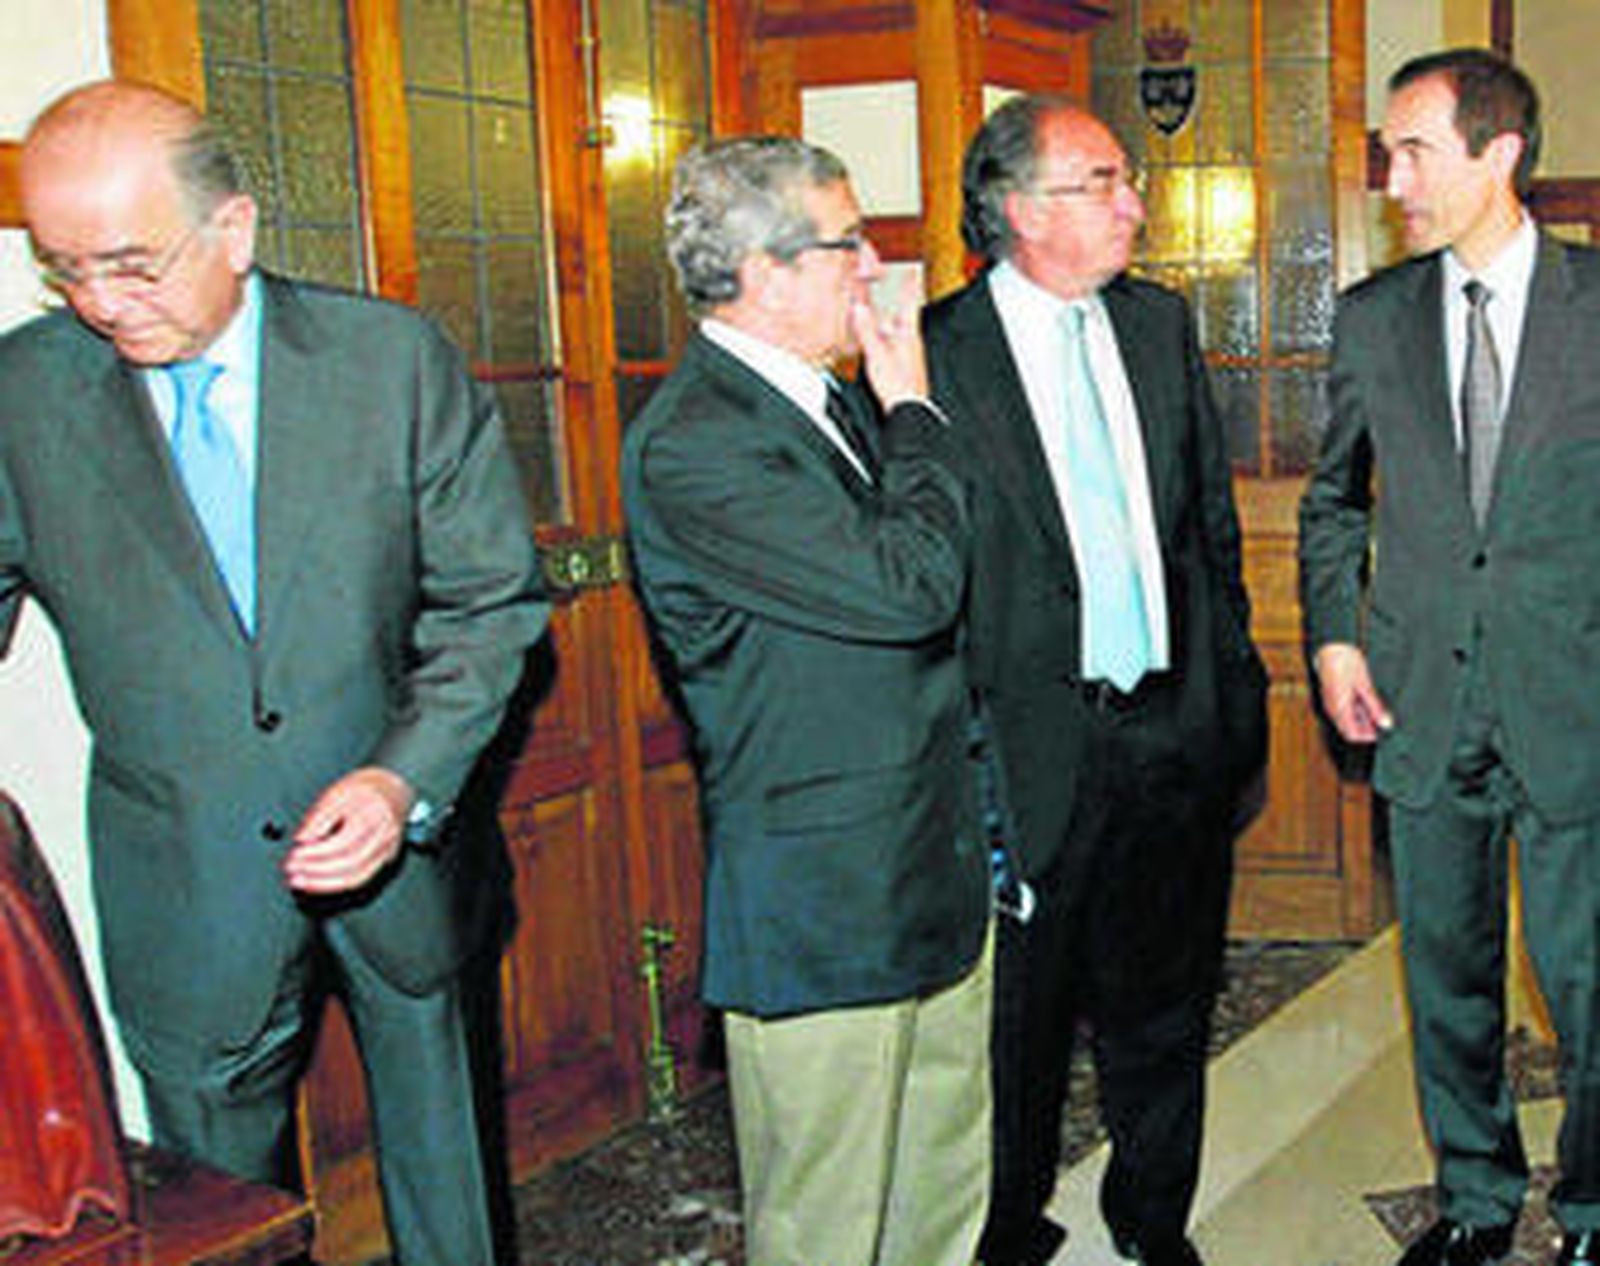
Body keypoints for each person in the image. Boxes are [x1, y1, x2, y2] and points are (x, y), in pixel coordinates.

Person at [0, 81, 549, 1265]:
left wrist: (402, 781)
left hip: (406, 865)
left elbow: (491, 603)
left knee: (450, 1192)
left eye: (133, 266)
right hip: (185, 888)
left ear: (235, 228)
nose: (101, 303)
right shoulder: (22, 393)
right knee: (222, 1224)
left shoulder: (388, 362)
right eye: (66, 271)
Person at [621, 136, 992, 1266]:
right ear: (764, 272)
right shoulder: (697, 442)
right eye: (848, 243)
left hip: (926, 867)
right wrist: (916, 413)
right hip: (826, 904)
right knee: (828, 1223)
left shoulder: (821, 400)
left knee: (939, 1199)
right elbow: (911, 586)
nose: (872, 266)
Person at [922, 94, 1268, 1266]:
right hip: (1023, 756)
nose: (1135, 205)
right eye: (1104, 182)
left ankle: (1154, 1225)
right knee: (1013, 1032)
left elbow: (1206, 528)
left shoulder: (1157, 326)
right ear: (1019, 210)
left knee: (1165, 1010)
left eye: (1128, 180)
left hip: (1170, 729)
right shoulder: (932, 351)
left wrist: (1229, 691)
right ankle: (1007, 1230)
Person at [1300, 47, 1600, 1266]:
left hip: (1573, 695)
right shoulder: (1372, 318)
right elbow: (1332, 499)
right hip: (1419, 696)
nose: (1393, 180)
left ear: (1499, 154)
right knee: (1446, 975)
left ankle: (1593, 1208)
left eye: (1414, 152)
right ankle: (1475, 1198)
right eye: (1388, 154)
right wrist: (1332, 635)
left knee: (1586, 981)